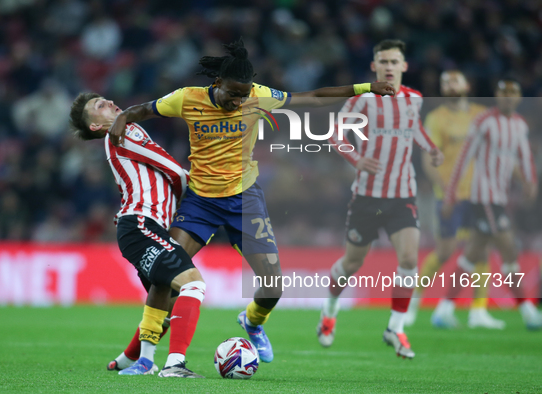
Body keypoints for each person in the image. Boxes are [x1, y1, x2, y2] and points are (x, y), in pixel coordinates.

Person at [107, 38, 395, 364]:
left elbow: (313, 97)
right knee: (166, 277)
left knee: (273, 287)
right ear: (217, 84)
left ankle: (253, 322)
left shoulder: (259, 96)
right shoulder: (186, 98)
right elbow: (144, 109)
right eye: (233, 94)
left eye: (243, 95)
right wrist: (122, 119)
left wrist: (366, 86)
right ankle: (142, 357)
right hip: (200, 202)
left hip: (245, 200)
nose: (238, 101)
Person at [316, 39, 444, 359]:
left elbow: (413, 129)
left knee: (409, 259)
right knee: (352, 263)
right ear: (374, 67)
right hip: (367, 197)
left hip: (403, 195)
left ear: (404, 66)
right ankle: (329, 310)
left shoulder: (414, 99)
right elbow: (335, 133)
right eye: (383, 62)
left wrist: (431, 148)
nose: (389, 67)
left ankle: (396, 327)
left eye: (394, 61)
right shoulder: (364, 99)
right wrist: (356, 160)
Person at [69, 92, 207, 378]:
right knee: (193, 284)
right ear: (95, 126)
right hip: (142, 226)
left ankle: (140, 360)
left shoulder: (117, 139)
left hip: (140, 227)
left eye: (106, 99)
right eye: (99, 106)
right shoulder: (124, 130)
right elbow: (175, 172)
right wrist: (199, 201)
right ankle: (174, 365)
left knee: (165, 295)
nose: (109, 103)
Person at [435, 79, 542, 330]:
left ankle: (443, 310)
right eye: (503, 93)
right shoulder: (484, 122)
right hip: (483, 198)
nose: (508, 98)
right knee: (509, 250)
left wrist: (531, 183)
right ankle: (528, 313)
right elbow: (463, 159)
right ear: (496, 96)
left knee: (472, 255)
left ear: (518, 97)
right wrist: (450, 195)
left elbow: (524, 156)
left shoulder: (518, 125)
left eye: (513, 93)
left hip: (500, 199)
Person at [404, 70, 505, 329]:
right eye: (444, 83)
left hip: (480, 195)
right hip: (450, 196)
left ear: (467, 85)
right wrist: (446, 190)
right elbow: (428, 157)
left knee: (481, 250)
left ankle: (478, 312)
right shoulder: (437, 118)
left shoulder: (482, 115)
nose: (449, 85)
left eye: (454, 81)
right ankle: (412, 302)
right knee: (445, 251)